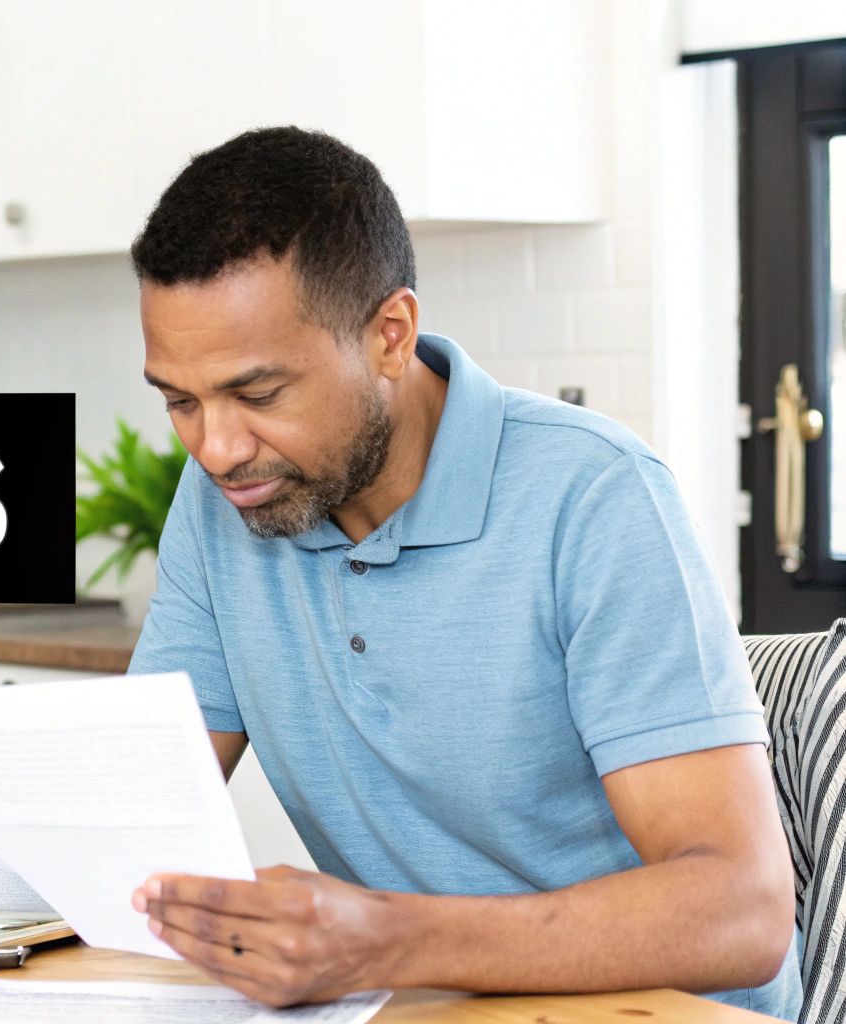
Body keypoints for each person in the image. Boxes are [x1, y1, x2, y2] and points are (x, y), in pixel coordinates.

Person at [118, 126, 799, 1017]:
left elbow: (742, 912)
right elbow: (137, 807)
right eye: (179, 400)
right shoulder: (227, 508)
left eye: (257, 395)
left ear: (390, 335)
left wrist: (389, 938)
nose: (215, 448)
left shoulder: (591, 495)